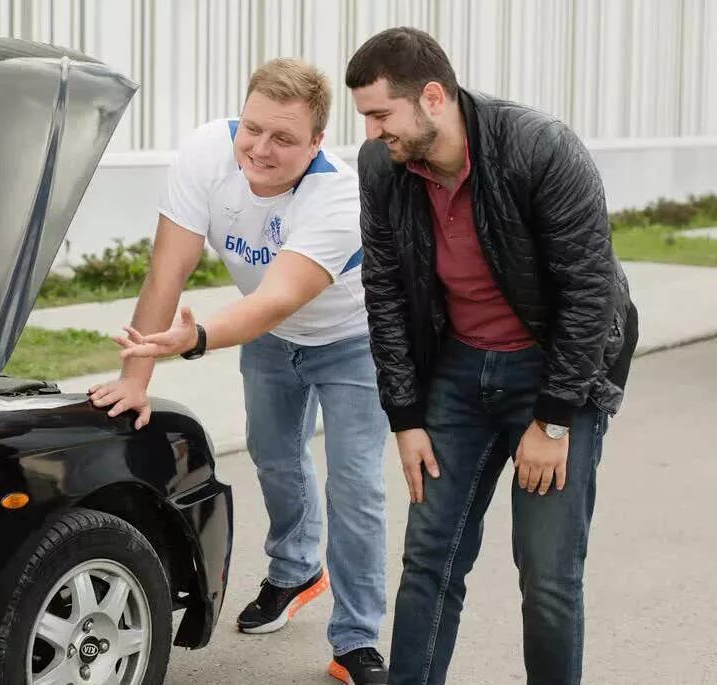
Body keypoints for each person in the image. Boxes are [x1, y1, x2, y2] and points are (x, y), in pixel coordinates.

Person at [344, 27, 639, 685]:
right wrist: (406, 414)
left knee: (548, 573)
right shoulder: (380, 168)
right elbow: (385, 291)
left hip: (559, 369)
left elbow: (588, 293)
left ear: (432, 98)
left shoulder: (538, 148)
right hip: (457, 373)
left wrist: (555, 419)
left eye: (379, 114)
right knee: (429, 559)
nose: (371, 131)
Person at [88, 58, 390, 685]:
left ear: (316, 143)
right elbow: (166, 272)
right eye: (252, 129)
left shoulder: (339, 193)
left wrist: (193, 338)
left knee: (355, 488)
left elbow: (272, 298)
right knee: (273, 456)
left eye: (283, 138)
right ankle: (295, 571)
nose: (260, 148)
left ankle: (357, 639)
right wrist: (135, 379)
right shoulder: (208, 153)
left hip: (352, 339)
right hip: (273, 342)